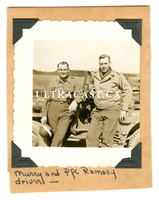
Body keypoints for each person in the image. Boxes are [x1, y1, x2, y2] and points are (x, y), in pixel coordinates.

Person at [84, 54, 132, 147]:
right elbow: (89, 86)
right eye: (101, 63)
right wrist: (91, 89)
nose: (103, 66)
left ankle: (104, 160)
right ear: (99, 64)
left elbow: (127, 90)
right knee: (91, 137)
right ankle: (91, 159)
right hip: (98, 110)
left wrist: (124, 109)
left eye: (105, 63)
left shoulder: (117, 76)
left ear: (110, 63)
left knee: (107, 140)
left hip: (112, 110)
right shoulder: (94, 75)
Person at [41, 61, 82, 147]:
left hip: (66, 111)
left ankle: (52, 153)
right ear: (58, 70)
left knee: (59, 136)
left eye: (65, 69)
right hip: (52, 111)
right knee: (55, 135)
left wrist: (75, 101)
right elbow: (46, 100)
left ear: (68, 70)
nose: (63, 71)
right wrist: (44, 115)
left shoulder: (74, 82)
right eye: (61, 69)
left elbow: (80, 94)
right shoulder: (53, 83)